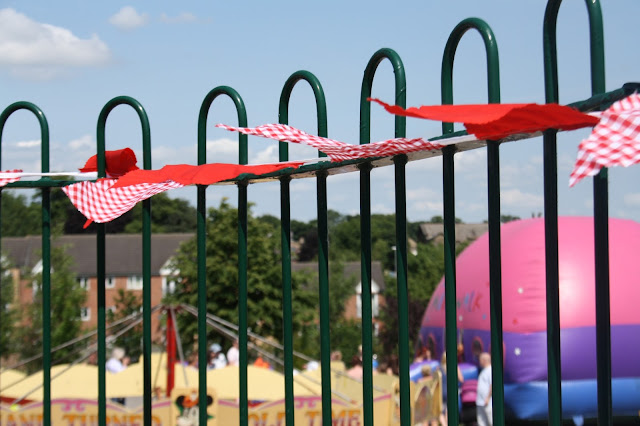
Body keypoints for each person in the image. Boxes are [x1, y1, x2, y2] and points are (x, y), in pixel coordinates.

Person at [439, 352, 464, 426]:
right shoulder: (454, 366)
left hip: (442, 392)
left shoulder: (439, 368)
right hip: (451, 392)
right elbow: (461, 379)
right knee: (448, 411)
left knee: (441, 412)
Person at [476, 352, 492, 426]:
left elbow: (492, 385)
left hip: (488, 402)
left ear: (484, 360)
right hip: (480, 401)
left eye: (480, 360)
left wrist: (488, 398)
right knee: (481, 422)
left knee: (491, 421)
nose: (479, 362)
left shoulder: (490, 370)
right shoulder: (483, 371)